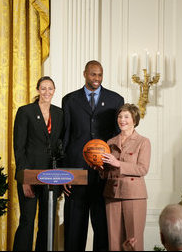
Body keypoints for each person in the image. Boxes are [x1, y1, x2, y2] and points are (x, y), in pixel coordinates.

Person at [62, 60, 124, 251]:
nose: (97, 78)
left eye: (100, 74)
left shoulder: (116, 100)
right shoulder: (70, 100)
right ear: (84, 74)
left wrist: (114, 169)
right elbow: (65, 137)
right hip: (76, 172)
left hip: (103, 173)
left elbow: (118, 138)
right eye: (93, 74)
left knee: (103, 228)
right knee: (74, 228)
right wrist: (64, 172)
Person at [13, 76, 64, 251]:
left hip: (51, 175)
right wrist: (25, 178)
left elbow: (60, 145)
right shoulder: (25, 112)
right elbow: (19, 147)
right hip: (30, 174)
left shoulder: (59, 113)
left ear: (54, 91)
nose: (47, 92)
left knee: (47, 222)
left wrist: (62, 177)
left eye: (50, 88)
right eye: (43, 88)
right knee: (27, 220)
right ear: (37, 90)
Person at [98, 103, 151, 251]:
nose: (122, 120)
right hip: (112, 193)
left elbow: (142, 169)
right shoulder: (110, 142)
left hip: (134, 195)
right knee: (114, 241)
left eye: (126, 117)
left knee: (133, 241)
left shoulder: (143, 142)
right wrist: (99, 169)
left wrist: (118, 163)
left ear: (134, 120)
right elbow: (107, 173)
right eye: (120, 116)